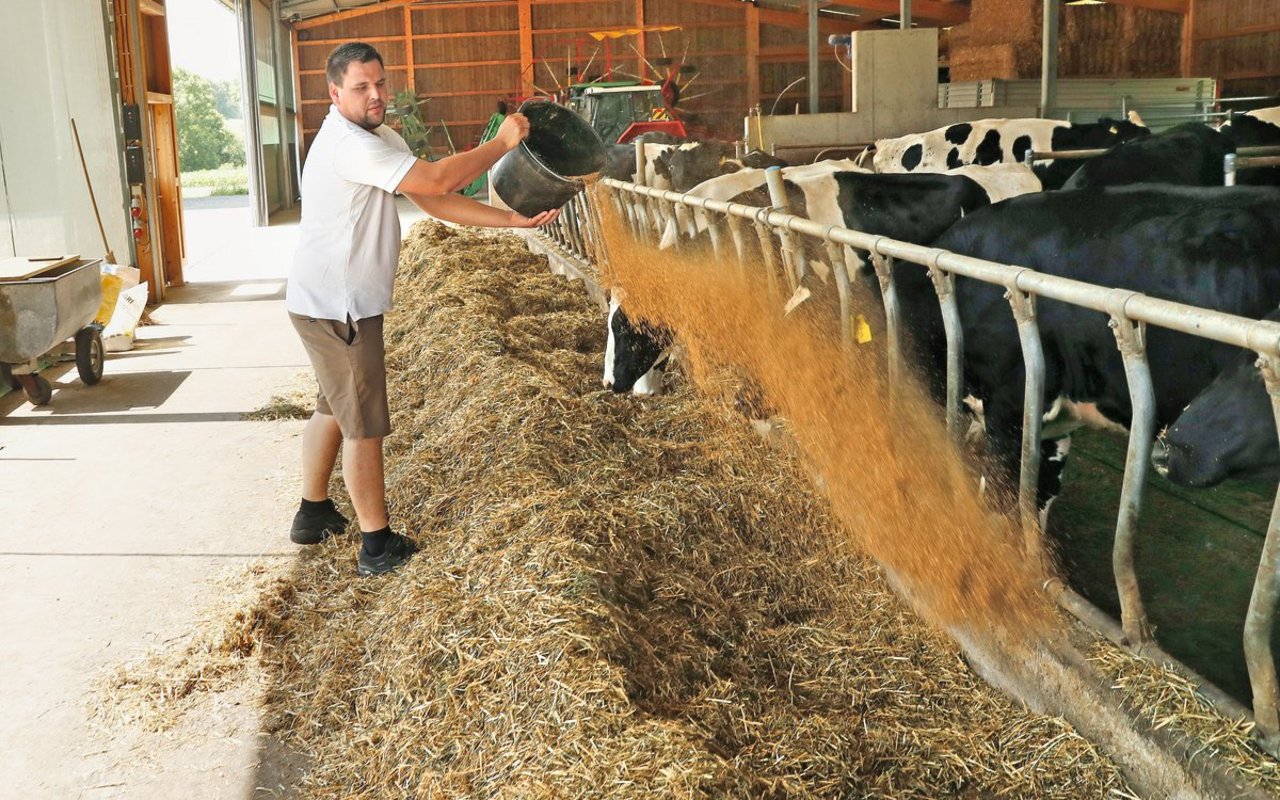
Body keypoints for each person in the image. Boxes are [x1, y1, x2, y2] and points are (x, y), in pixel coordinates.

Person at [285, 41, 558, 577]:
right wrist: (501, 144)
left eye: (380, 84)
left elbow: (430, 197)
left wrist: (509, 223)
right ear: (334, 93)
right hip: (340, 307)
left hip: (323, 301)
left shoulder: (378, 138)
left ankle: (312, 513)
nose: (376, 96)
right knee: (363, 424)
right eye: (361, 88)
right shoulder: (348, 145)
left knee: (334, 409)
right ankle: (376, 546)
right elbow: (438, 180)